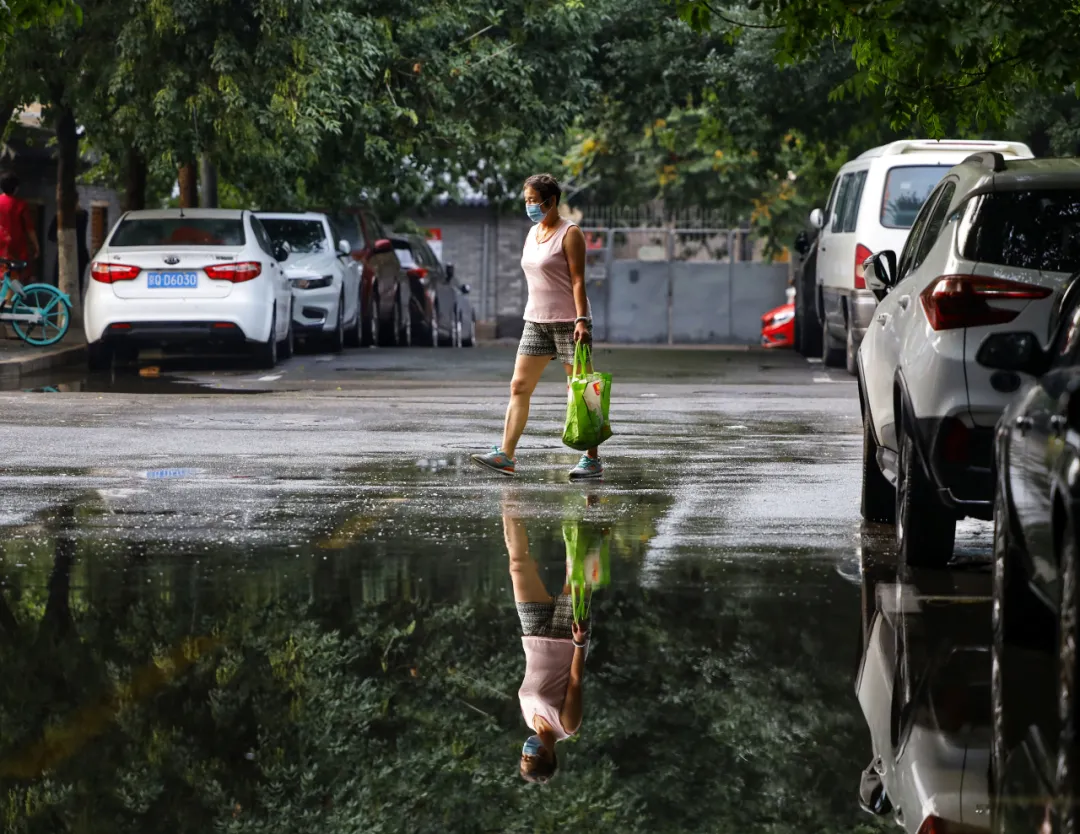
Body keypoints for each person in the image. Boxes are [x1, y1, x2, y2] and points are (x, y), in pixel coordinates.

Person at [471, 173, 601, 480]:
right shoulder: (533, 233)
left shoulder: (570, 233)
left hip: (569, 322)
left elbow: (578, 280)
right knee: (519, 385)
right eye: (526, 200)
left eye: (533, 200)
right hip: (536, 321)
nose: (529, 206)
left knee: (581, 389)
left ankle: (592, 458)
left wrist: (582, 320)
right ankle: (506, 456)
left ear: (550, 201)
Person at [503, 496, 589, 783]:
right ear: (549, 757)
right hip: (567, 637)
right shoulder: (567, 726)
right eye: (533, 757)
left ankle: (509, 497)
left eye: (524, 756)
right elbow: (575, 681)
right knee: (576, 567)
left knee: (517, 565)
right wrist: (580, 642)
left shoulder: (529, 718)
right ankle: (590, 504)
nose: (527, 752)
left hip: (533, 632)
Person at [0, 171, 41, 281]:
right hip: (16, 247)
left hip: (1, 245)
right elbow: (29, 228)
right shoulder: (20, 204)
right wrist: (36, 245)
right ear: (16, 188)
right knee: (14, 278)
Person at [47, 202, 90, 294]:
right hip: (76, 254)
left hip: (73, 254)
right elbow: (51, 235)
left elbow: (51, 236)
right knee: (75, 284)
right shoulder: (82, 215)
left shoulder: (79, 215)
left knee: (62, 282)